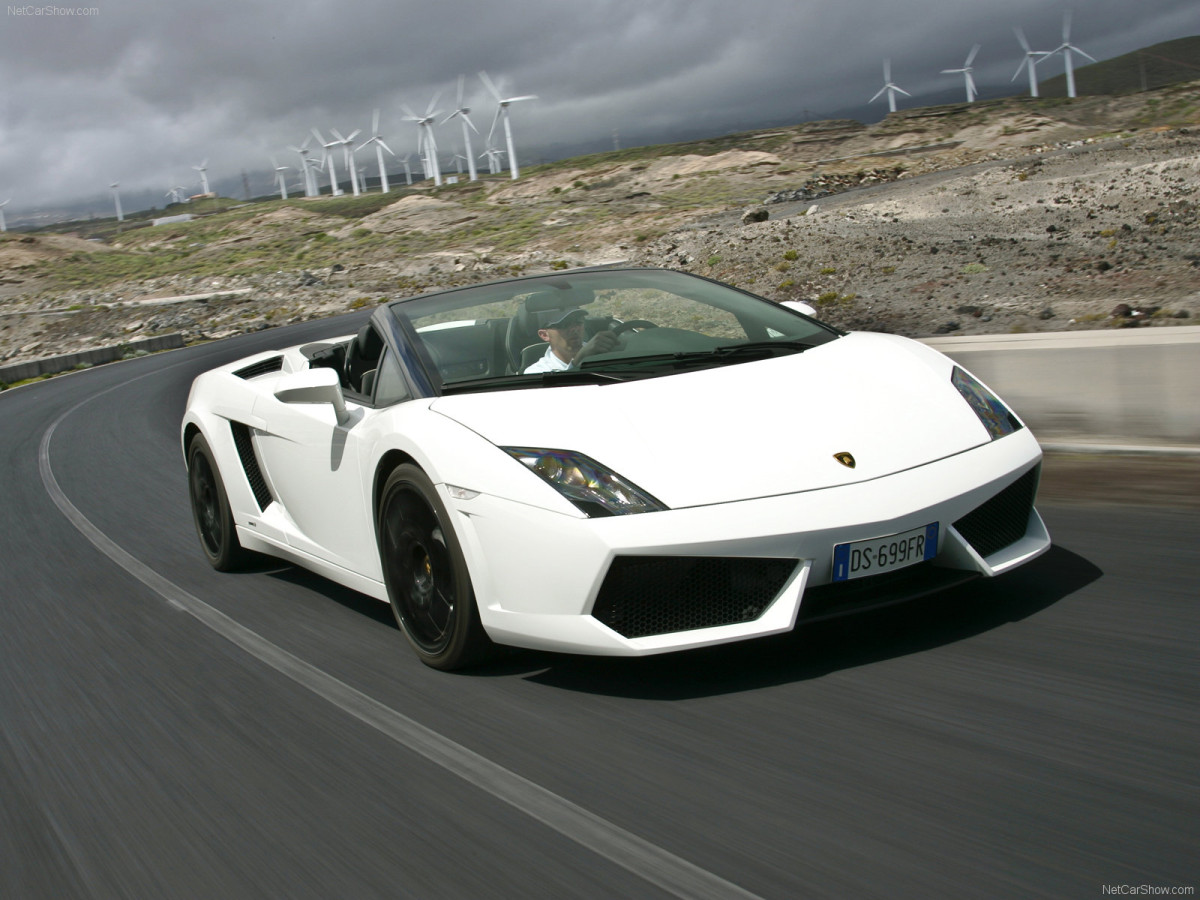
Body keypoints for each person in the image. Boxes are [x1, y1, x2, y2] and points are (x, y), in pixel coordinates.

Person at [523, 308, 621, 373]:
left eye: (578, 322)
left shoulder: (603, 351)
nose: (574, 329)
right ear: (544, 335)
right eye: (564, 325)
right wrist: (579, 360)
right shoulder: (536, 372)